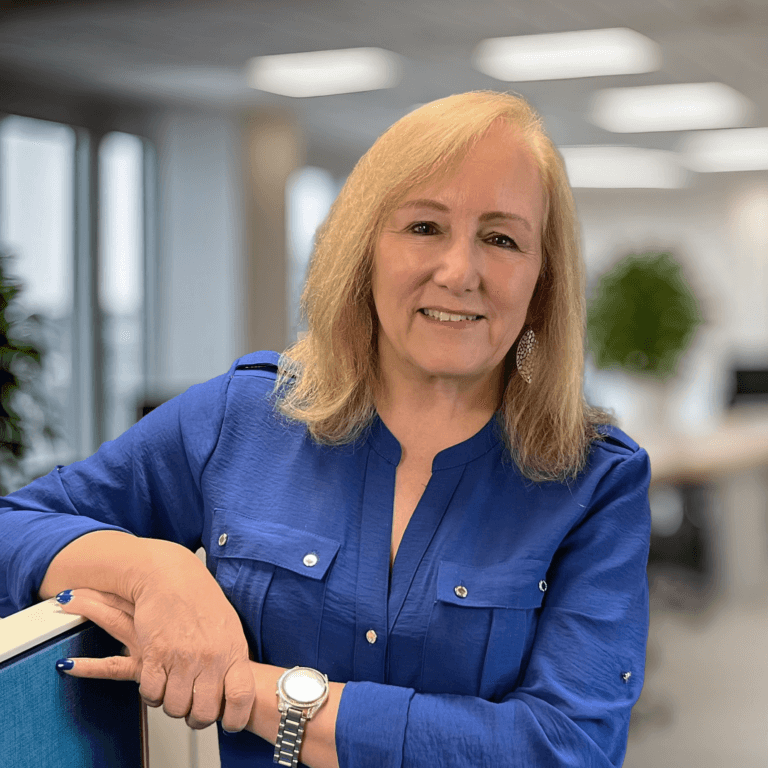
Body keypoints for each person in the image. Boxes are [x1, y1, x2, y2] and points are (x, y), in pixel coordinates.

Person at [0, 90, 651, 768]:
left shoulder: (597, 482)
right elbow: (12, 528)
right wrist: (153, 568)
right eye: (424, 228)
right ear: (363, 249)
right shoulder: (242, 417)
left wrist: (255, 693)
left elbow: (566, 749)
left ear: (542, 279)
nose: (459, 272)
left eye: (501, 238)